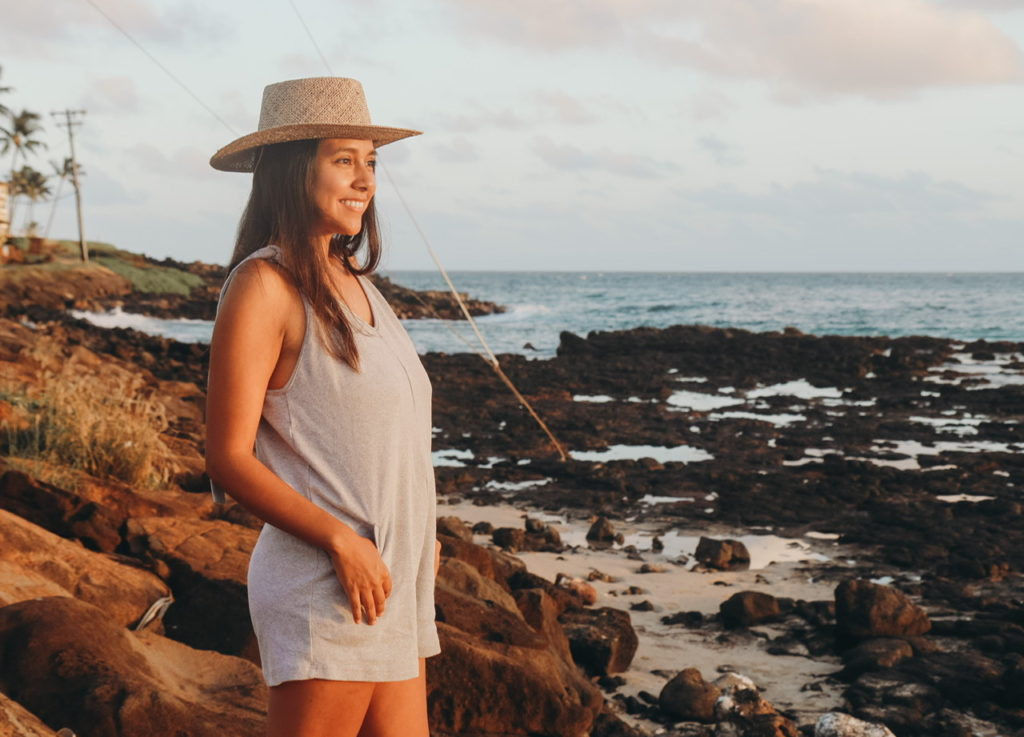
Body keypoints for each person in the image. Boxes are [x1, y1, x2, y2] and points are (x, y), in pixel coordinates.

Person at [204, 77, 441, 737]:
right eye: (344, 159)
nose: (365, 179)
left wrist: (424, 542)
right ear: (292, 167)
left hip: (391, 586)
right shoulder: (263, 285)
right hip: (328, 585)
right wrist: (341, 539)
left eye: (371, 161)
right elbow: (226, 455)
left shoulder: (363, 288)